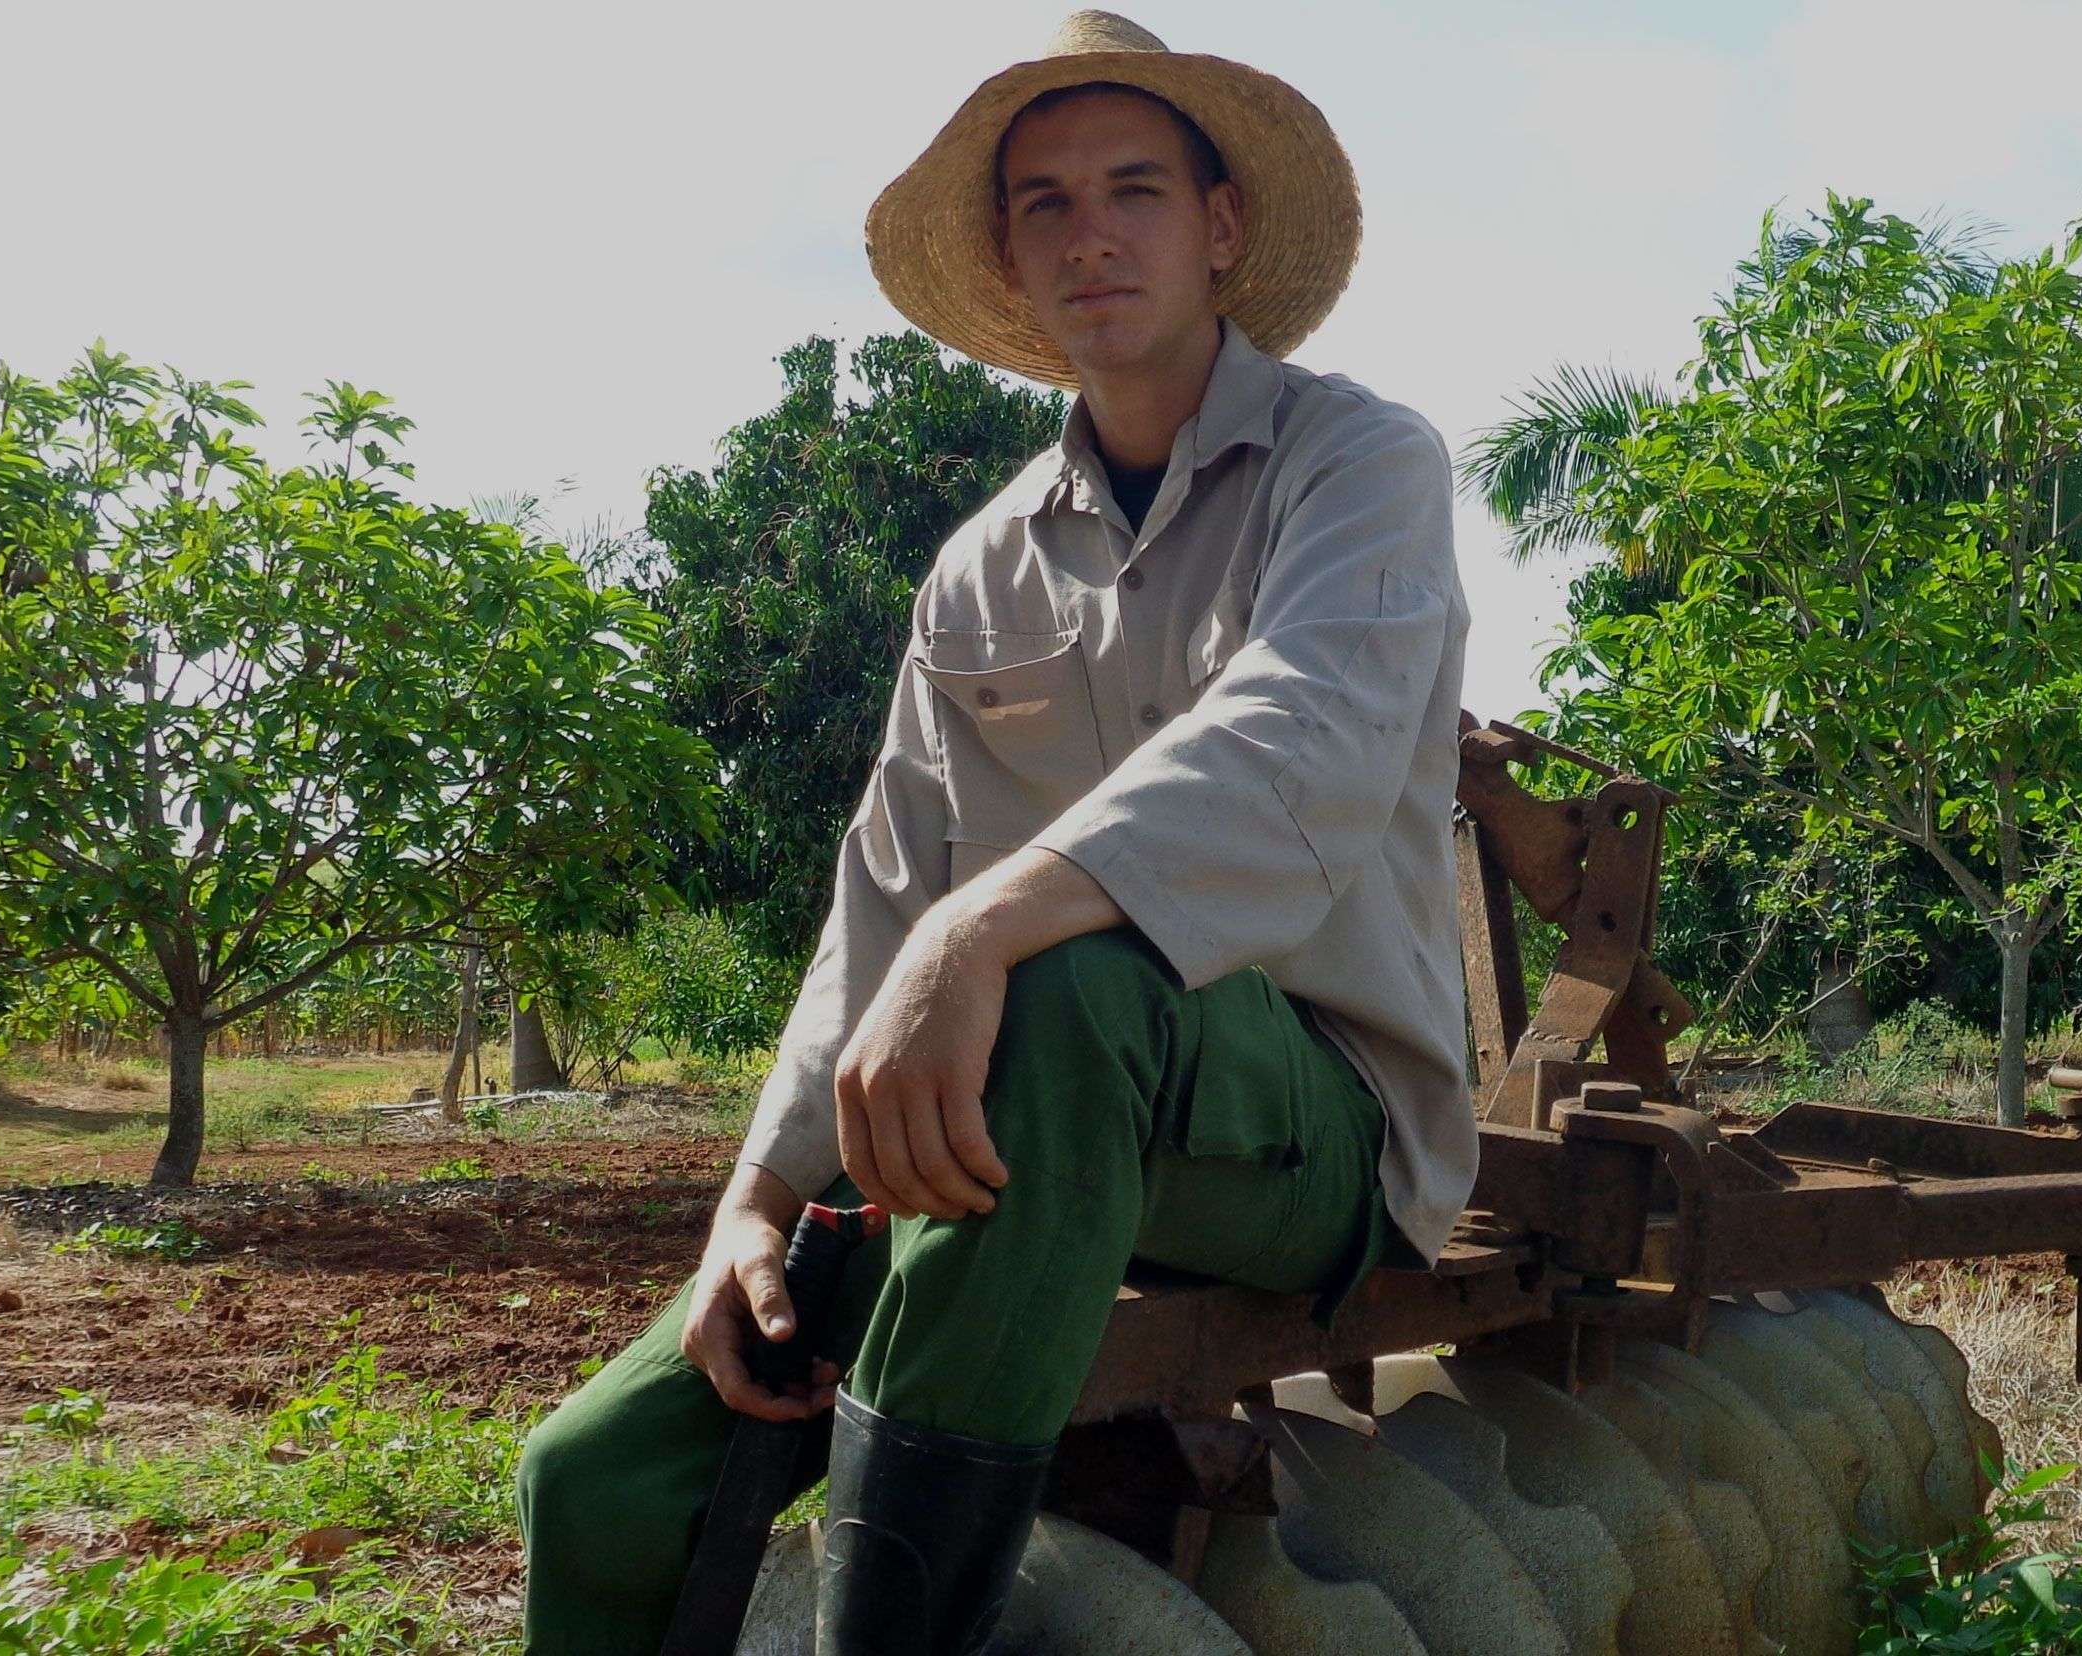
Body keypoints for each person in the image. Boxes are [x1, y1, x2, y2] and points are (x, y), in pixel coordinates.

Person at [513, 11, 1476, 1653]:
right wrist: (754, 1196)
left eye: (1134, 189)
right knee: (593, 1472)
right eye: (1042, 204)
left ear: (1222, 226)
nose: (1090, 230)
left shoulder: (1360, 465)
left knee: (1063, 994)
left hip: (1318, 1119)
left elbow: (1294, 743)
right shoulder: (978, 568)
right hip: (1036, 1103)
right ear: (1014, 269)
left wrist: (983, 932)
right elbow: (886, 893)